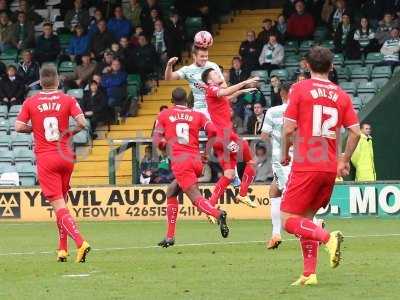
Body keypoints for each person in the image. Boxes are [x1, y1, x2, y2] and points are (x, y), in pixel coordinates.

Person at [280, 46, 360, 285]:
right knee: (306, 219)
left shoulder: (299, 89)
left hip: (306, 164)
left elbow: (288, 128)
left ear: (306, 65)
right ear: (332, 67)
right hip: (328, 168)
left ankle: (328, 238)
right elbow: (355, 132)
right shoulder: (342, 95)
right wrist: (343, 160)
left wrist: (285, 154)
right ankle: (309, 273)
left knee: (287, 221)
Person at [15, 64, 91, 263]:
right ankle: (62, 249)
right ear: (58, 80)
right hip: (66, 157)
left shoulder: (31, 102)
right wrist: (68, 133)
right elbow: (83, 123)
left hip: (46, 158)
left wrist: (34, 129)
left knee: (58, 206)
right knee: (63, 205)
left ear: (40, 81)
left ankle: (80, 242)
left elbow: (18, 126)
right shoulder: (68, 99)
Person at [153, 87, 229, 247]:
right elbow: (213, 131)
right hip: (196, 160)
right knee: (172, 191)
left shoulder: (164, 115)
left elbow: (157, 138)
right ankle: (169, 236)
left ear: (172, 101)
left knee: (195, 198)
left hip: (181, 161)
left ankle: (218, 214)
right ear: (186, 101)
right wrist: (207, 153)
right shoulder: (198, 115)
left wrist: (164, 147)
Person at [202, 69, 260, 211]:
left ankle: (210, 206)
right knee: (250, 158)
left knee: (229, 174)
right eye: (215, 74)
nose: (219, 75)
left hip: (219, 140)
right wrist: (245, 82)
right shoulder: (212, 89)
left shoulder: (214, 93)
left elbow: (225, 98)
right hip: (225, 138)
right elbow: (224, 93)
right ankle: (243, 193)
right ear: (209, 81)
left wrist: (242, 92)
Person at [260, 82, 292, 249]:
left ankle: (315, 225)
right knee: (274, 191)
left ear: (282, 94)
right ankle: (275, 234)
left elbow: (264, 136)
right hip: (300, 158)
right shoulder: (302, 111)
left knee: (290, 196)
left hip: (281, 159)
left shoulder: (273, 111)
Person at [165, 46, 225, 119]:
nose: (205, 59)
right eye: (202, 56)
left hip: (215, 108)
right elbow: (169, 78)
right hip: (200, 110)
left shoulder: (213, 66)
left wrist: (211, 89)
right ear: (194, 56)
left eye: (206, 56)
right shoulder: (187, 70)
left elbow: (224, 86)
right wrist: (169, 65)